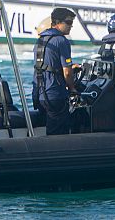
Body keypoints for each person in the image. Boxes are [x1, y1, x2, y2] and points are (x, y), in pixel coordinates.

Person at [33, 7, 79, 135]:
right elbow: (67, 73)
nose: (71, 27)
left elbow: (45, 65)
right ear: (57, 22)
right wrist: (72, 89)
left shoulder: (40, 40)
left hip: (39, 94)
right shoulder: (62, 41)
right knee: (59, 133)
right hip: (55, 95)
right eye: (68, 23)